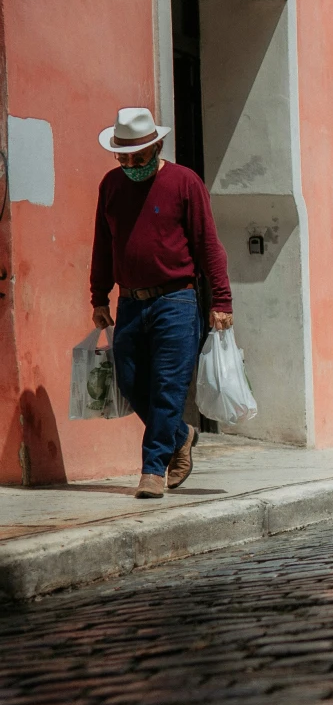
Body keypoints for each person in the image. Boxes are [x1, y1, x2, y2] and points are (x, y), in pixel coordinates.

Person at [90, 106, 233, 500]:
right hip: (130, 304)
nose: (131, 164)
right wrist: (98, 296)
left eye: (138, 156)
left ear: (158, 147)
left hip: (176, 301)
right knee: (130, 381)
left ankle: (153, 469)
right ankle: (181, 434)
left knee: (167, 387)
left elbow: (208, 246)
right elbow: (104, 244)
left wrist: (221, 300)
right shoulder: (111, 186)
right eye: (123, 156)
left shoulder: (185, 183)